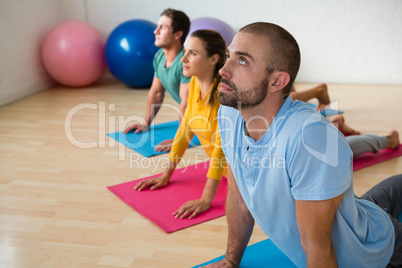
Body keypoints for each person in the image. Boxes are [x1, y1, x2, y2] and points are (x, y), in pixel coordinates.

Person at [203, 22, 401, 267]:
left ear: (277, 81)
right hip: (355, 215)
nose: (223, 69)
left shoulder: (309, 136)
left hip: (379, 254)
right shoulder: (230, 113)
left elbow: (318, 248)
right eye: (228, 56)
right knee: (371, 205)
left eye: (242, 60)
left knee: (373, 215)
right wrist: (231, 260)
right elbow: (238, 200)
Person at [134, 30, 227, 219]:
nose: (183, 59)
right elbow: (185, 130)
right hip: (227, 174)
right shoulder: (194, 83)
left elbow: (220, 152)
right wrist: (165, 176)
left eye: (193, 53)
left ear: (213, 59)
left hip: (249, 176)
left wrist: (206, 200)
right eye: (184, 51)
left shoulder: (224, 98)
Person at [123, 8, 191, 152]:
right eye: (157, 26)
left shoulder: (186, 61)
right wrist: (145, 123)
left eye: (163, 27)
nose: (156, 31)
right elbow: (156, 92)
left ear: (178, 34)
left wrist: (180, 138)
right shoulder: (160, 56)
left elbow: (187, 103)